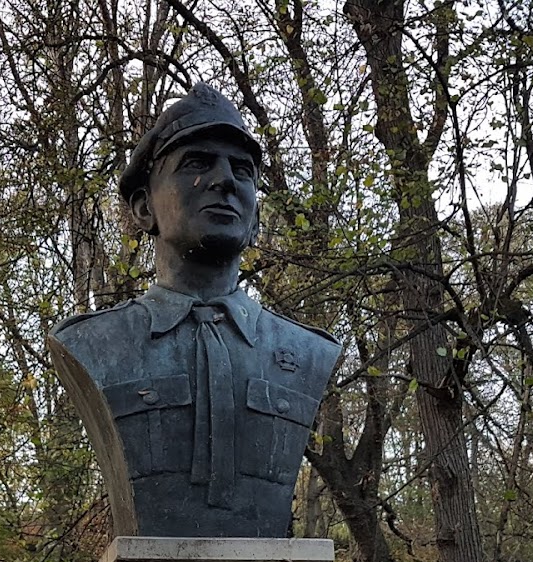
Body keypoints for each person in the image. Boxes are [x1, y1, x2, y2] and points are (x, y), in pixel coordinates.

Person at [48, 83, 340, 538]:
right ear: (145, 209)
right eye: (197, 163)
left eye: (242, 171)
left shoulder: (308, 353)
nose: (225, 180)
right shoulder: (92, 344)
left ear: (256, 216)